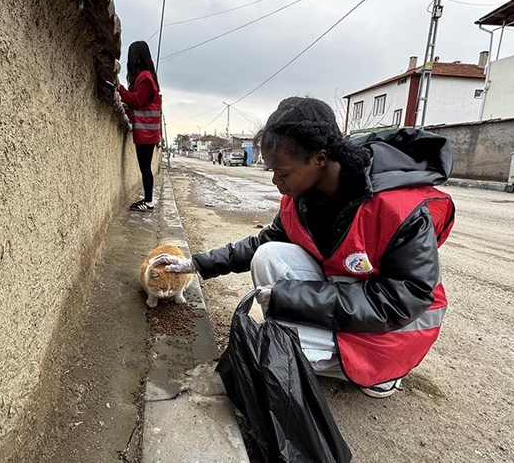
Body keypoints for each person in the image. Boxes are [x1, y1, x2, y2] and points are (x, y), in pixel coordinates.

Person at [153, 97, 455, 398]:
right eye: (271, 171)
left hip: (398, 327)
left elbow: (402, 300)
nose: (275, 181)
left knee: (272, 351)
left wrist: (291, 297)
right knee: (268, 257)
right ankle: (316, 350)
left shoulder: (398, 208)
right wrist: (196, 263)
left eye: (282, 172)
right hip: (349, 295)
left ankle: (383, 372)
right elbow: (263, 242)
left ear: (320, 158)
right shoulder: (301, 201)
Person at [118, 41, 161, 212]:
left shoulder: (145, 78)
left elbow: (136, 100)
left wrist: (119, 88)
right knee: (145, 167)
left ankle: (149, 202)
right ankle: (148, 200)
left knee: (145, 167)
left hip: (146, 132)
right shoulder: (147, 77)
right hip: (146, 131)